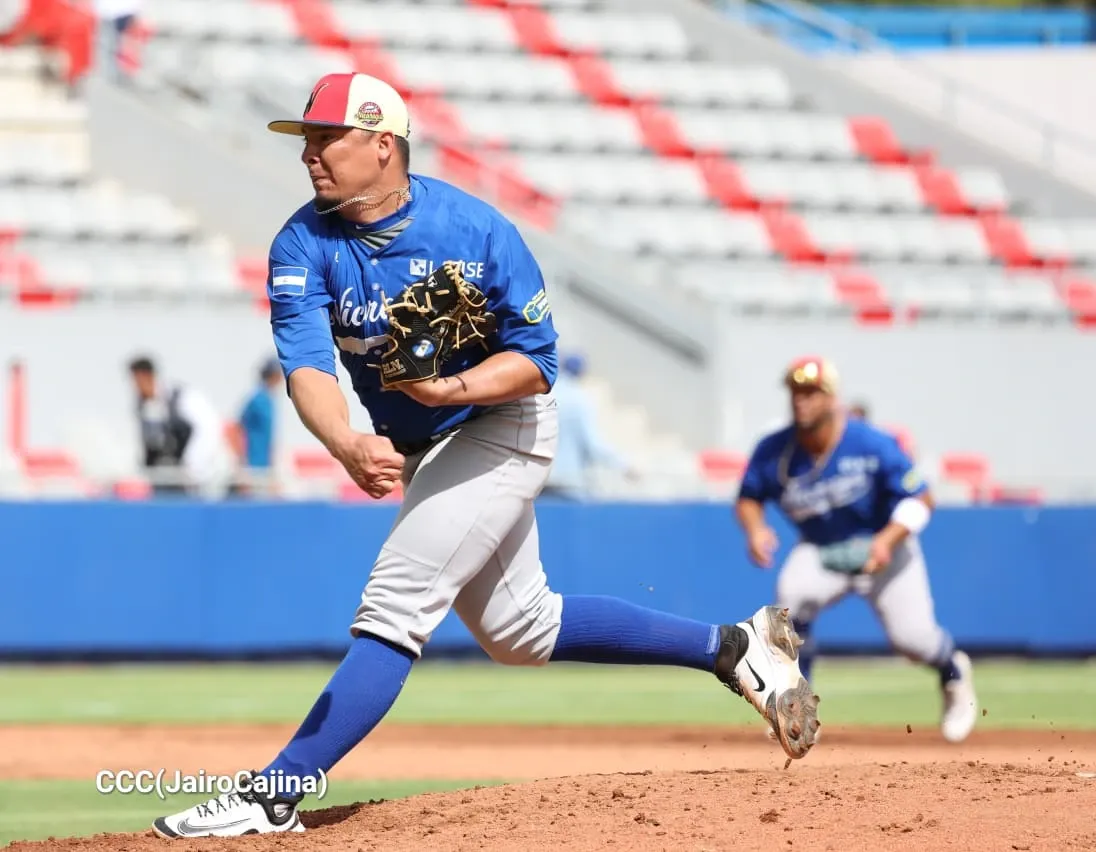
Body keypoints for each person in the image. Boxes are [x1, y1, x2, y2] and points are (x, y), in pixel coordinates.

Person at [151, 71, 820, 838]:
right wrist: (344, 442)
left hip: (505, 424)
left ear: (383, 145)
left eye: (327, 138)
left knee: (397, 602)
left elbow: (539, 359)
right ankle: (733, 647)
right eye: (306, 139)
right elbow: (307, 367)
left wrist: (452, 387)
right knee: (521, 632)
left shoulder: (475, 230)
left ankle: (274, 795)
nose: (311, 154)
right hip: (426, 447)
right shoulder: (302, 242)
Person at [733, 355, 977, 745]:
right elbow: (748, 497)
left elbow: (921, 498)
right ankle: (798, 706)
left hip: (886, 550)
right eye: (796, 392)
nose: (801, 401)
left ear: (832, 398)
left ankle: (954, 672)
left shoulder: (869, 442)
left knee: (914, 641)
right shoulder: (775, 450)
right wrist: (756, 528)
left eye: (812, 392)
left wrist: (887, 539)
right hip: (823, 550)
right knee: (790, 599)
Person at [127, 355, 227, 497]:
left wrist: (191, 465)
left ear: (147, 376)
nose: (135, 386)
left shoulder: (181, 398)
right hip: (162, 479)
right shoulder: (142, 406)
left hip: (191, 479)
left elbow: (209, 428)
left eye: (137, 380)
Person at [541, 352, 636, 500]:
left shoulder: (545, 394)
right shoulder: (579, 399)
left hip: (540, 481)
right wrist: (624, 465)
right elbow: (593, 444)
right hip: (569, 483)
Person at [230, 357, 281, 495]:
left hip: (265, 466)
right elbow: (236, 429)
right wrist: (241, 463)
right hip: (252, 465)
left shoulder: (270, 400)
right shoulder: (257, 399)